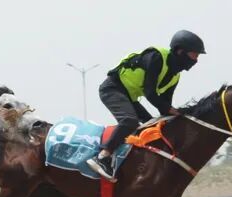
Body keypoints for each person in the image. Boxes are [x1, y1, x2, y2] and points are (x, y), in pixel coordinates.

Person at [87, 30, 206, 181]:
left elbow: (164, 105)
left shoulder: (175, 76)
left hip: (130, 97)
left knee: (153, 127)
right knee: (129, 121)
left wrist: (177, 116)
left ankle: (131, 163)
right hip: (112, 89)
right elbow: (150, 93)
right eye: (194, 55)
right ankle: (103, 156)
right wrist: (172, 111)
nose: (196, 60)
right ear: (180, 51)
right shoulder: (156, 57)